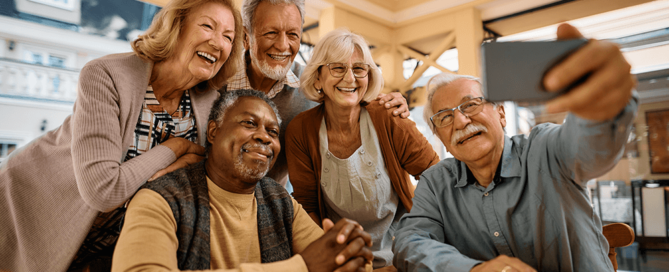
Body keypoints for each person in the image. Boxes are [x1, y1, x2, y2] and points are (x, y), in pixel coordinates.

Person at [0, 0, 244, 271]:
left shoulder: (211, 103)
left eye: (228, 37)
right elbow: (103, 190)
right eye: (208, 26)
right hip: (36, 203)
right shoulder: (105, 74)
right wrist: (174, 148)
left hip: (114, 238)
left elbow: (202, 172)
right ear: (177, 27)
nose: (218, 43)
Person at [392, 23, 637, 272]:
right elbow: (409, 243)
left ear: (501, 114)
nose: (460, 121)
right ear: (440, 137)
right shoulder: (436, 182)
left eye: (470, 105)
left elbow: (590, 148)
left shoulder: (545, 149)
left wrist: (602, 109)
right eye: (444, 117)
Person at [112, 89, 373, 272]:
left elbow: (333, 258)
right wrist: (301, 267)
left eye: (272, 131)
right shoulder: (159, 199)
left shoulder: (279, 200)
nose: (264, 137)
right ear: (213, 132)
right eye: (249, 123)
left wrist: (352, 250)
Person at [286, 29, 440, 271]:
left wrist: (417, 234)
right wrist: (333, 256)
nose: (350, 79)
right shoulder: (300, 130)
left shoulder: (388, 115)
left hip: (402, 254)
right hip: (344, 259)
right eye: (337, 68)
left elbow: (436, 177)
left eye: (359, 69)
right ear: (317, 78)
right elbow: (307, 207)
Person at [222, 0, 410, 187]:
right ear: (246, 36)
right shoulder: (216, 78)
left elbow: (352, 95)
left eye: (292, 34)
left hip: (271, 204)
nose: (282, 45)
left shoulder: (315, 83)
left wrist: (389, 102)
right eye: (271, 33)